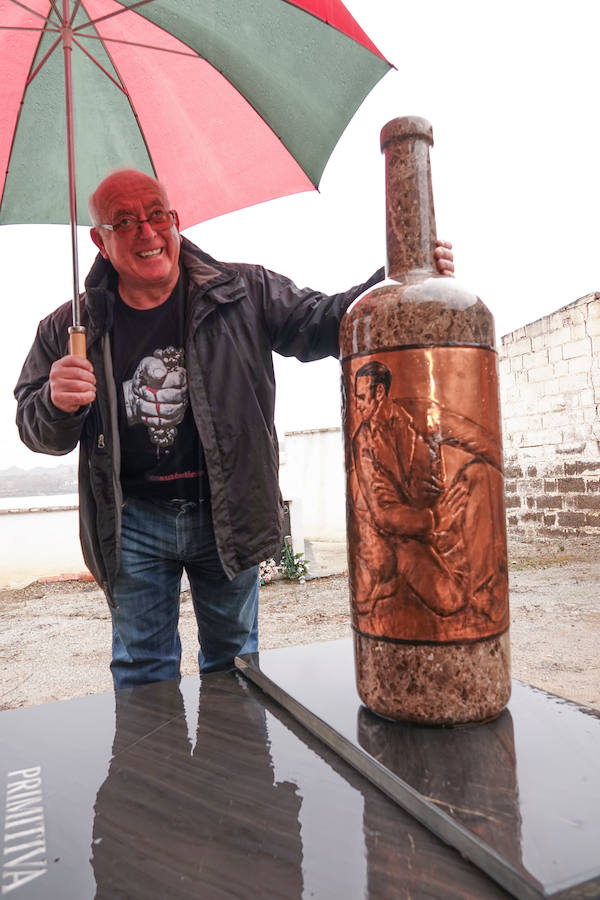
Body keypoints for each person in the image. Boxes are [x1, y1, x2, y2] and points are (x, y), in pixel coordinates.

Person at [14, 169, 454, 689]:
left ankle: (237, 772)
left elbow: (326, 323)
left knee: (236, 668)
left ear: (175, 221)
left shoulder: (242, 292)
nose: (147, 231)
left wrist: (395, 279)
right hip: (132, 523)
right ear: (100, 241)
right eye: (124, 221)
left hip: (226, 512)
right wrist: (57, 403)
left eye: (157, 214)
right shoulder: (70, 329)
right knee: (142, 671)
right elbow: (35, 429)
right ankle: (153, 771)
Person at [349, 360, 507, 632]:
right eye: (355, 399)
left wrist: (499, 468)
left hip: (437, 521)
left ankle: (483, 594)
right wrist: (435, 519)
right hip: (400, 537)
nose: (358, 405)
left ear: (379, 393)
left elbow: (476, 438)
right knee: (450, 599)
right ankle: (387, 577)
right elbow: (384, 514)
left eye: (362, 398)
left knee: (480, 474)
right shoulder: (363, 442)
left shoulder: (422, 413)